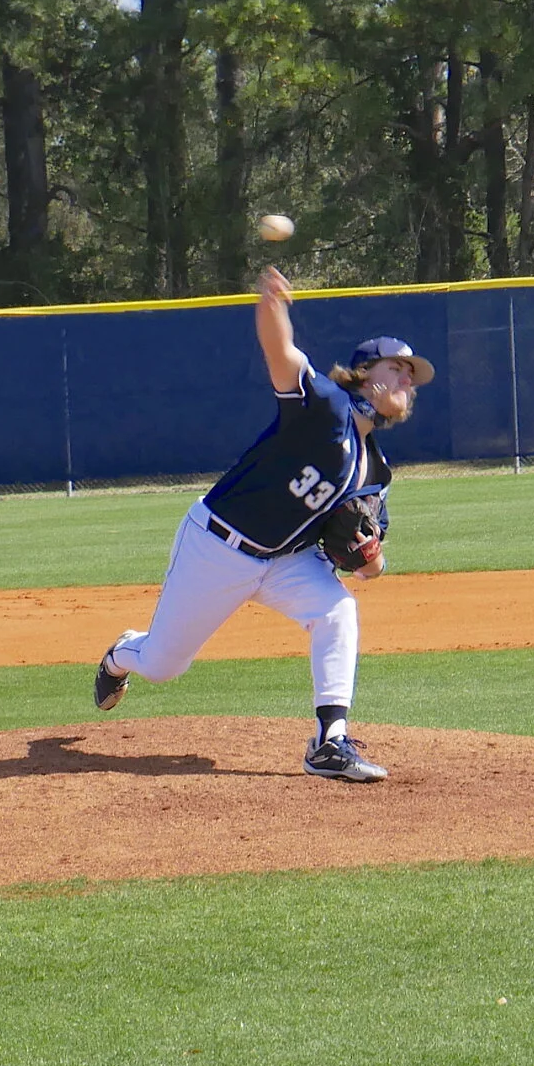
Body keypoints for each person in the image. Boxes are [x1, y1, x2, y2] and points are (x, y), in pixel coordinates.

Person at [91, 266, 432, 782]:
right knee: (163, 665)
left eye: (413, 375)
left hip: (288, 561)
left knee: (338, 607)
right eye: (399, 367)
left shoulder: (376, 470)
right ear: (365, 372)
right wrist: (272, 306)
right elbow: (283, 356)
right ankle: (121, 654)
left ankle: (329, 742)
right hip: (218, 546)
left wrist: (370, 559)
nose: (409, 378)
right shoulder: (325, 404)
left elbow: (372, 566)